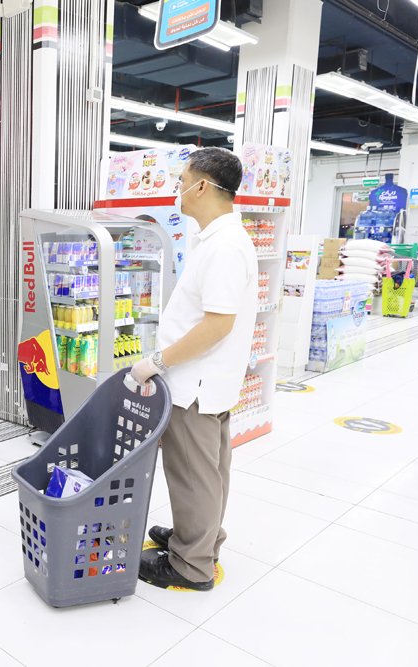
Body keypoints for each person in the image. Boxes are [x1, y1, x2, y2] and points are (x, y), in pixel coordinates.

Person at [130, 147, 257, 592]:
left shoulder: (223, 246)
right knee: (210, 470)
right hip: (210, 380)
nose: (177, 188)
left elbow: (217, 324)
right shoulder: (219, 239)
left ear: (202, 185)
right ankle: (199, 539)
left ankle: (191, 564)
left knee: (191, 473)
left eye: (181, 178)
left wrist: (156, 361)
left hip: (194, 383)